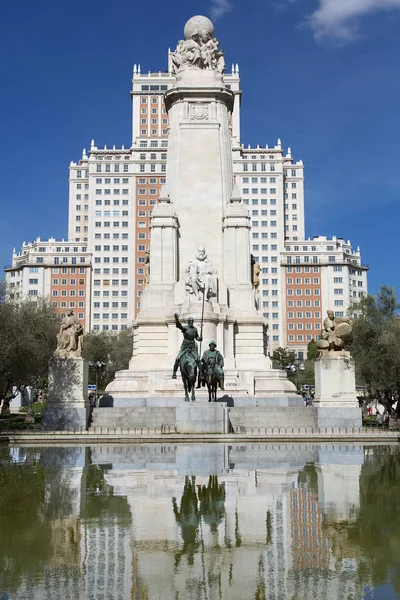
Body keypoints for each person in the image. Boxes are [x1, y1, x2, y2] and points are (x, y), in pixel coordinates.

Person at [172, 314, 202, 379]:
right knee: (177, 358)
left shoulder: (195, 329)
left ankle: (201, 374)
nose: (191, 322)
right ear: (188, 322)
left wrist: (199, 339)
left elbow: (196, 337)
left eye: (192, 321)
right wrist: (176, 319)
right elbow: (179, 326)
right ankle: (174, 373)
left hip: (192, 346)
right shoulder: (185, 328)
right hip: (184, 346)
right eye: (190, 321)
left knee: (198, 359)